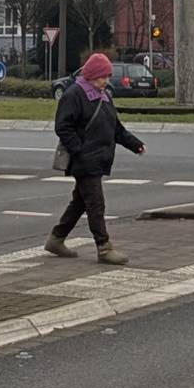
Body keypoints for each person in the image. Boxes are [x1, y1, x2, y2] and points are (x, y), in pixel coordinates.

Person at [49, 52, 145, 265]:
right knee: (96, 204)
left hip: (97, 159)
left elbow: (115, 128)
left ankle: (56, 239)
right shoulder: (74, 94)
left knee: (80, 203)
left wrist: (135, 144)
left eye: (108, 76)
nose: (106, 81)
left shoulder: (104, 96)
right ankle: (104, 248)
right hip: (83, 161)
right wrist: (79, 149)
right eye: (103, 77)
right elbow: (62, 126)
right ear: (91, 75)